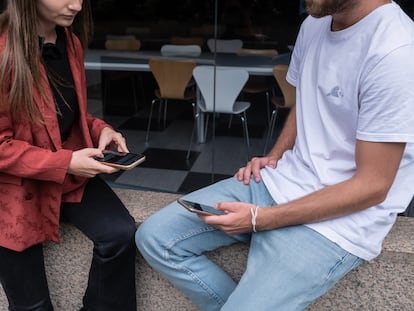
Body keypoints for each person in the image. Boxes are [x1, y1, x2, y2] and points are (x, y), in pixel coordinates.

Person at [136, 0, 414, 310]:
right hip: (281, 181)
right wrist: (276, 155)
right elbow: (307, 97)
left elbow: (373, 186)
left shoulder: (396, 52)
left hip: (338, 222)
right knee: (155, 238)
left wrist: (260, 219)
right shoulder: (316, 23)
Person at [0, 1, 137, 310]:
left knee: (120, 234)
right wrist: (65, 162)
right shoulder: (3, 49)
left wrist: (101, 128)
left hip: (66, 176)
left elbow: (62, 112)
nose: (76, 5)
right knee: (32, 306)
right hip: (13, 192)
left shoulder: (70, 41)